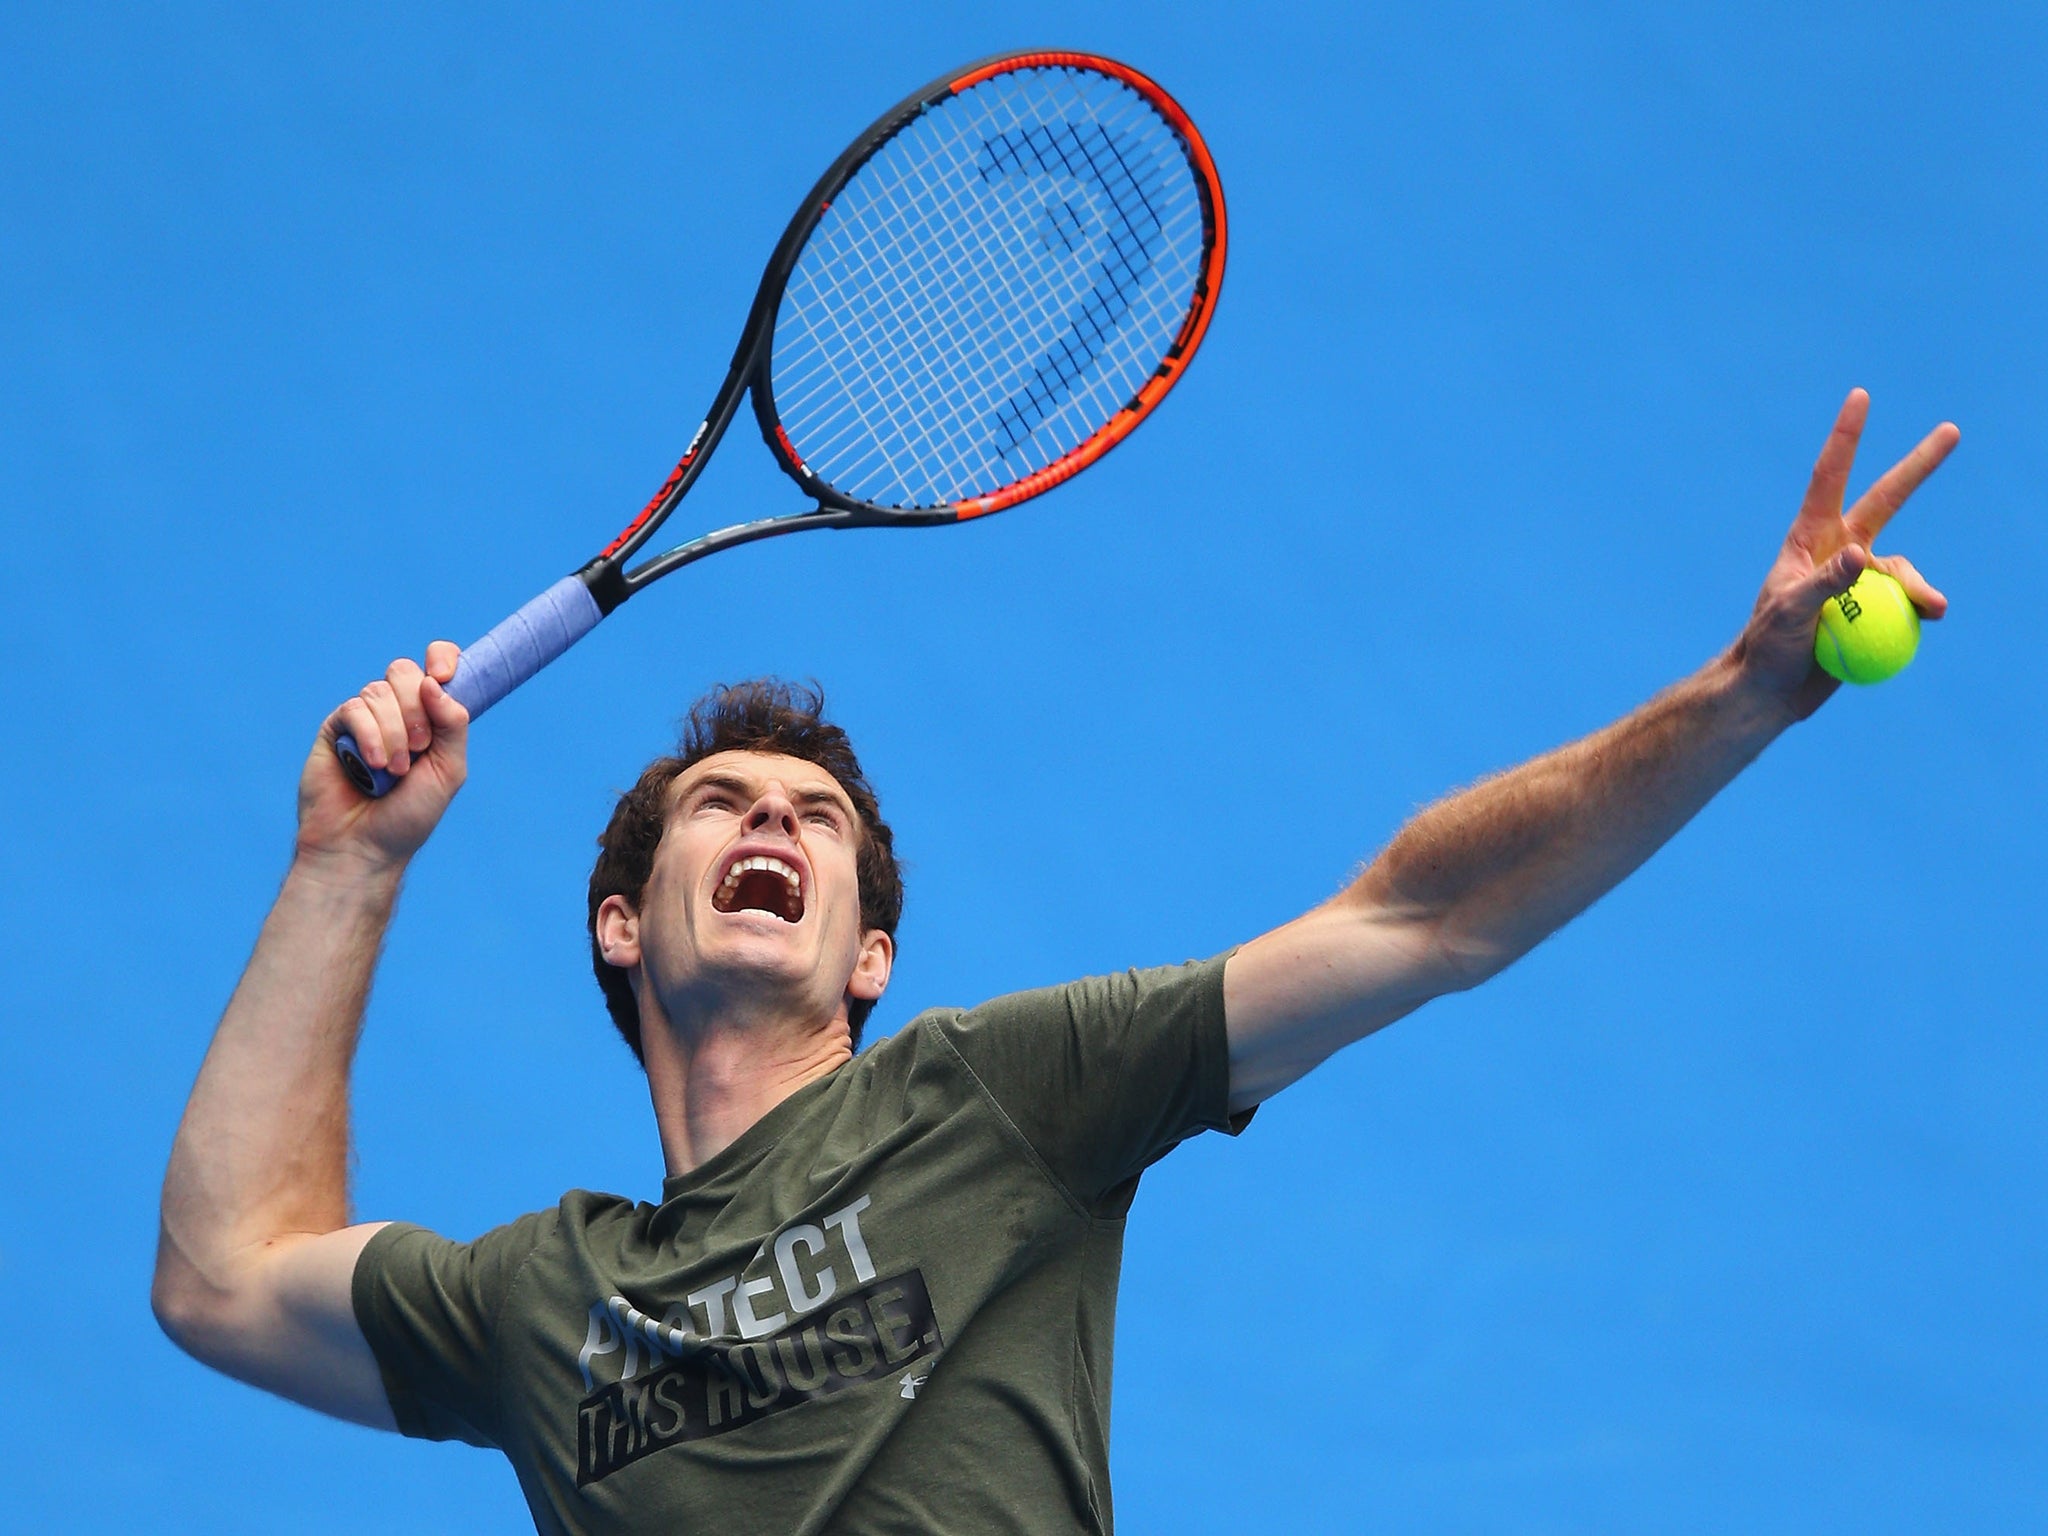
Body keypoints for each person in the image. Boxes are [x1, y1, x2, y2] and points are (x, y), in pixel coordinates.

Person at [155, 390, 1955, 1534]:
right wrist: (347, 861)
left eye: (815, 819)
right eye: (720, 807)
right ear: (624, 925)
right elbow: (226, 1278)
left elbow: (1421, 918)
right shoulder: (540, 1304)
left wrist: (1739, 700)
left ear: (869, 955)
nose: (771, 823)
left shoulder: (993, 1101)